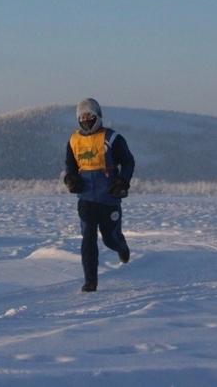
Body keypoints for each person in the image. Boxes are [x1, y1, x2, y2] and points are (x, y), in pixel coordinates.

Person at [64, 98, 135, 292]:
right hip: (86, 200)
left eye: (90, 115)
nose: (86, 120)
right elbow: (70, 165)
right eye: (82, 116)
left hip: (108, 198)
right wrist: (71, 179)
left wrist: (121, 183)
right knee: (88, 239)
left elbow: (128, 162)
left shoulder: (112, 138)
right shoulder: (74, 140)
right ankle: (90, 282)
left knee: (109, 239)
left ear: (98, 116)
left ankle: (121, 246)